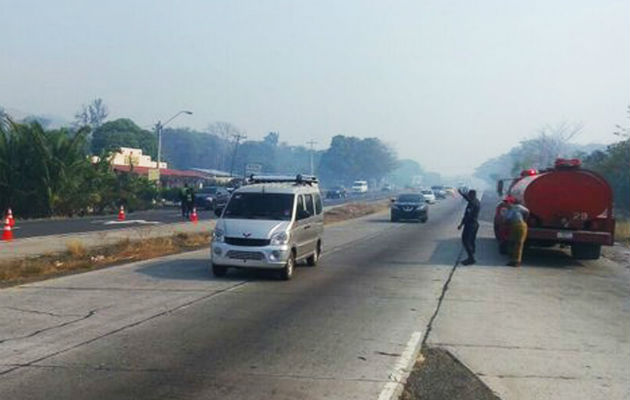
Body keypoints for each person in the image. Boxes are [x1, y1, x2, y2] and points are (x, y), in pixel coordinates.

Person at [457, 188, 480, 265]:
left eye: (469, 195)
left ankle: (471, 258)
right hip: (475, 224)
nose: (468, 196)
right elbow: (467, 198)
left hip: (470, 225)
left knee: (465, 241)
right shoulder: (476, 201)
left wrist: (461, 224)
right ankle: (472, 254)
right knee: (471, 241)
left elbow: (467, 215)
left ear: (472, 195)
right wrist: (461, 193)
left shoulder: (472, 204)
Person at [505, 198, 529, 267]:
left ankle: (517, 261)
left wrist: (524, 220)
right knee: (512, 242)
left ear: (511, 203)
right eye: (505, 202)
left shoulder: (517, 207)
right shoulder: (509, 210)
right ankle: (512, 260)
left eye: (507, 202)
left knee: (518, 243)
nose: (506, 204)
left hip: (520, 225)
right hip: (514, 226)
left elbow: (527, 211)